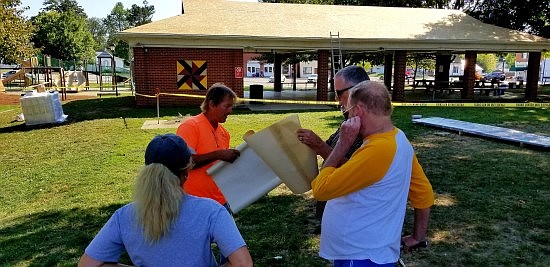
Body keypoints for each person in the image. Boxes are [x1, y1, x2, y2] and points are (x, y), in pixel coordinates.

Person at [297, 66, 432, 252]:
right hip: (361, 249)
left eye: (349, 108)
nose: (340, 104)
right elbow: (423, 192)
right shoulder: (398, 137)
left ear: (359, 109)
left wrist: (342, 144)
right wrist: (418, 236)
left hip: (359, 251)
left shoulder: (376, 149)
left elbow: (321, 188)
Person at [78, 134, 252, 267]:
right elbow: (243, 263)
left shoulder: (124, 216)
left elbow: (87, 264)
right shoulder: (211, 211)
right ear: (185, 174)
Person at [176, 83, 241, 213]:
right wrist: (218, 154)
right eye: (226, 106)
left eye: (231, 106)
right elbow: (184, 162)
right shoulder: (190, 126)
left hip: (220, 202)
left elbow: (220, 165)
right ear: (211, 104)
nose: (230, 111)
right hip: (193, 203)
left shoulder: (224, 133)